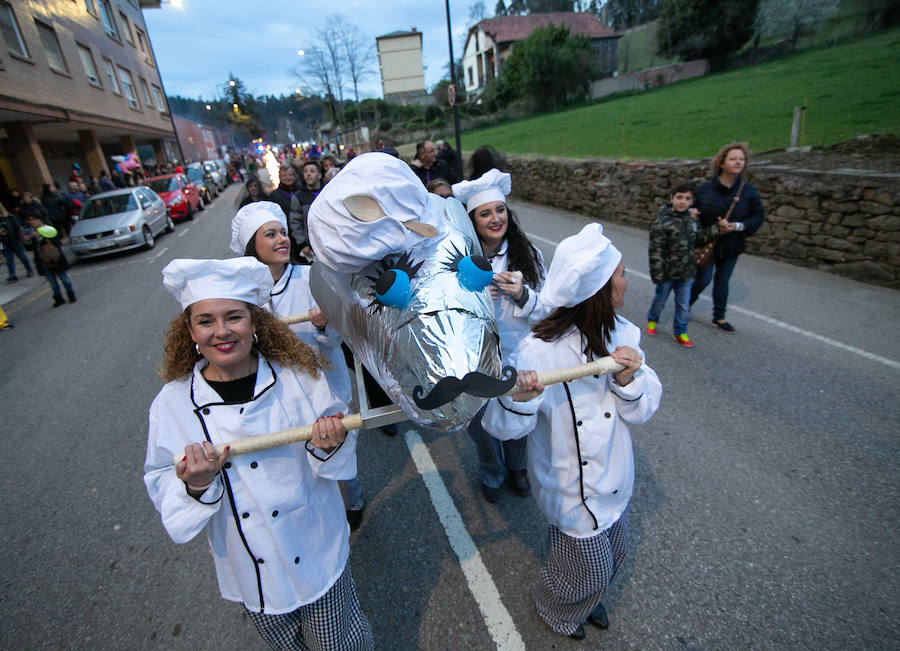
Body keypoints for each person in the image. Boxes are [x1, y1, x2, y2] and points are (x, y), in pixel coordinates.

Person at [144, 257, 373, 650]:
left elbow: (338, 448)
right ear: (189, 329)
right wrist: (195, 485)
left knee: (341, 645)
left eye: (234, 317)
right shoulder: (172, 403)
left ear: (255, 321)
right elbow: (160, 477)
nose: (221, 332)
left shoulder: (299, 378)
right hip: (250, 567)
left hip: (315, 546)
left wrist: (329, 444)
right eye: (205, 321)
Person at [483, 223, 662, 640]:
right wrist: (522, 397)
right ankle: (556, 608)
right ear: (600, 289)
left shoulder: (623, 335)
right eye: (621, 274)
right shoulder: (539, 351)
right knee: (588, 566)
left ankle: (584, 594)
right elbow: (502, 427)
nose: (626, 280)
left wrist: (629, 380)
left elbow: (643, 410)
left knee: (614, 555)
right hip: (572, 489)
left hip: (614, 479)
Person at [230, 202, 364, 529]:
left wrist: (323, 324)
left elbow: (340, 336)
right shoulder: (243, 295)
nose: (282, 239)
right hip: (276, 392)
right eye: (271, 234)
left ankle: (354, 495)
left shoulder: (310, 278)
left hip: (323, 383)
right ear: (253, 247)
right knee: (298, 455)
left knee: (336, 442)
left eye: (284, 233)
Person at [452, 169, 548, 502]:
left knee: (519, 411)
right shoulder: (459, 260)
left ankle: (517, 467)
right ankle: (492, 469)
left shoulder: (528, 254)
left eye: (500, 210)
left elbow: (549, 312)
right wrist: (472, 298)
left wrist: (523, 294)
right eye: (485, 213)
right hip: (475, 359)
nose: (495, 219)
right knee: (480, 424)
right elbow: (444, 316)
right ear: (472, 219)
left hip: (519, 352)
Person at [689, 142, 764, 332]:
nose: (738, 162)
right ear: (722, 163)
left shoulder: (749, 191)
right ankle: (685, 305)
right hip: (707, 242)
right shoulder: (705, 188)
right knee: (703, 279)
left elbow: (757, 216)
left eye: (741, 159)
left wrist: (738, 226)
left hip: (732, 243)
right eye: (733, 159)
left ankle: (719, 317)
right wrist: (693, 214)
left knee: (723, 280)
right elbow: (691, 208)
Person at [646, 182, 726, 348]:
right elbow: (656, 249)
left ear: (692, 202)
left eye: (687, 198)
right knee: (660, 300)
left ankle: (680, 331)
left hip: (687, 273)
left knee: (683, 304)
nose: (683, 201)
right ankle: (652, 319)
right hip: (667, 273)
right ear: (672, 199)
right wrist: (657, 274)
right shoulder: (663, 221)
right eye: (679, 197)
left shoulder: (691, 221)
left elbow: (698, 239)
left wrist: (716, 229)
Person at [24, 214, 76, 306]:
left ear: (40, 220)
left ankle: (70, 294)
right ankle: (58, 298)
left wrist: (42, 236)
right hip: (44, 261)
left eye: (34, 219)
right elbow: (30, 248)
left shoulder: (49, 229)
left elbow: (57, 242)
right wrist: (28, 240)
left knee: (64, 278)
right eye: (30, 220)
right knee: (52, 282)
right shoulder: (32, 232)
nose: (32, 222)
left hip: (56, 258)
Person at [287, 161, 322, 263]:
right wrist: (302, 244)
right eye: (305, 171)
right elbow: (295, 222)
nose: (308, 174)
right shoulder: (298, 197)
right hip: (311, 245)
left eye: (312, 171)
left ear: (319, 175)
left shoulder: (327, 192)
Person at [1, 203, 34, 282]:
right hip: (4, 242)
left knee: (22, 256)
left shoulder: (10, 217)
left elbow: (17, 228)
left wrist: (20, 240)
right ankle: (12, 275)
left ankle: (29, 270)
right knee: (9, 259)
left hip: (14, 240)